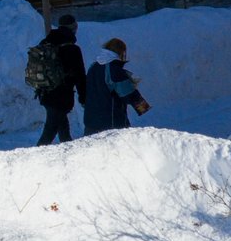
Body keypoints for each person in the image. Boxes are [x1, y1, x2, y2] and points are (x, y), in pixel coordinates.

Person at [28, 14, 88, 145]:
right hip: (61, 96)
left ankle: (68, 149)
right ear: (73, 28)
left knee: (62, 126)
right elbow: (80, 76)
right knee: (50, 131)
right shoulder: (72, 49)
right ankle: (35, 157)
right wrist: (84, 98)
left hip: (44, 91)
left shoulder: (45, 43)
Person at [81, 37, 151, 134]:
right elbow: (128, 94)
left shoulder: (93, 66)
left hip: (91, 122)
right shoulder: (114, 69)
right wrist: (143, 107)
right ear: (121, 52)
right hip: (110, 123)